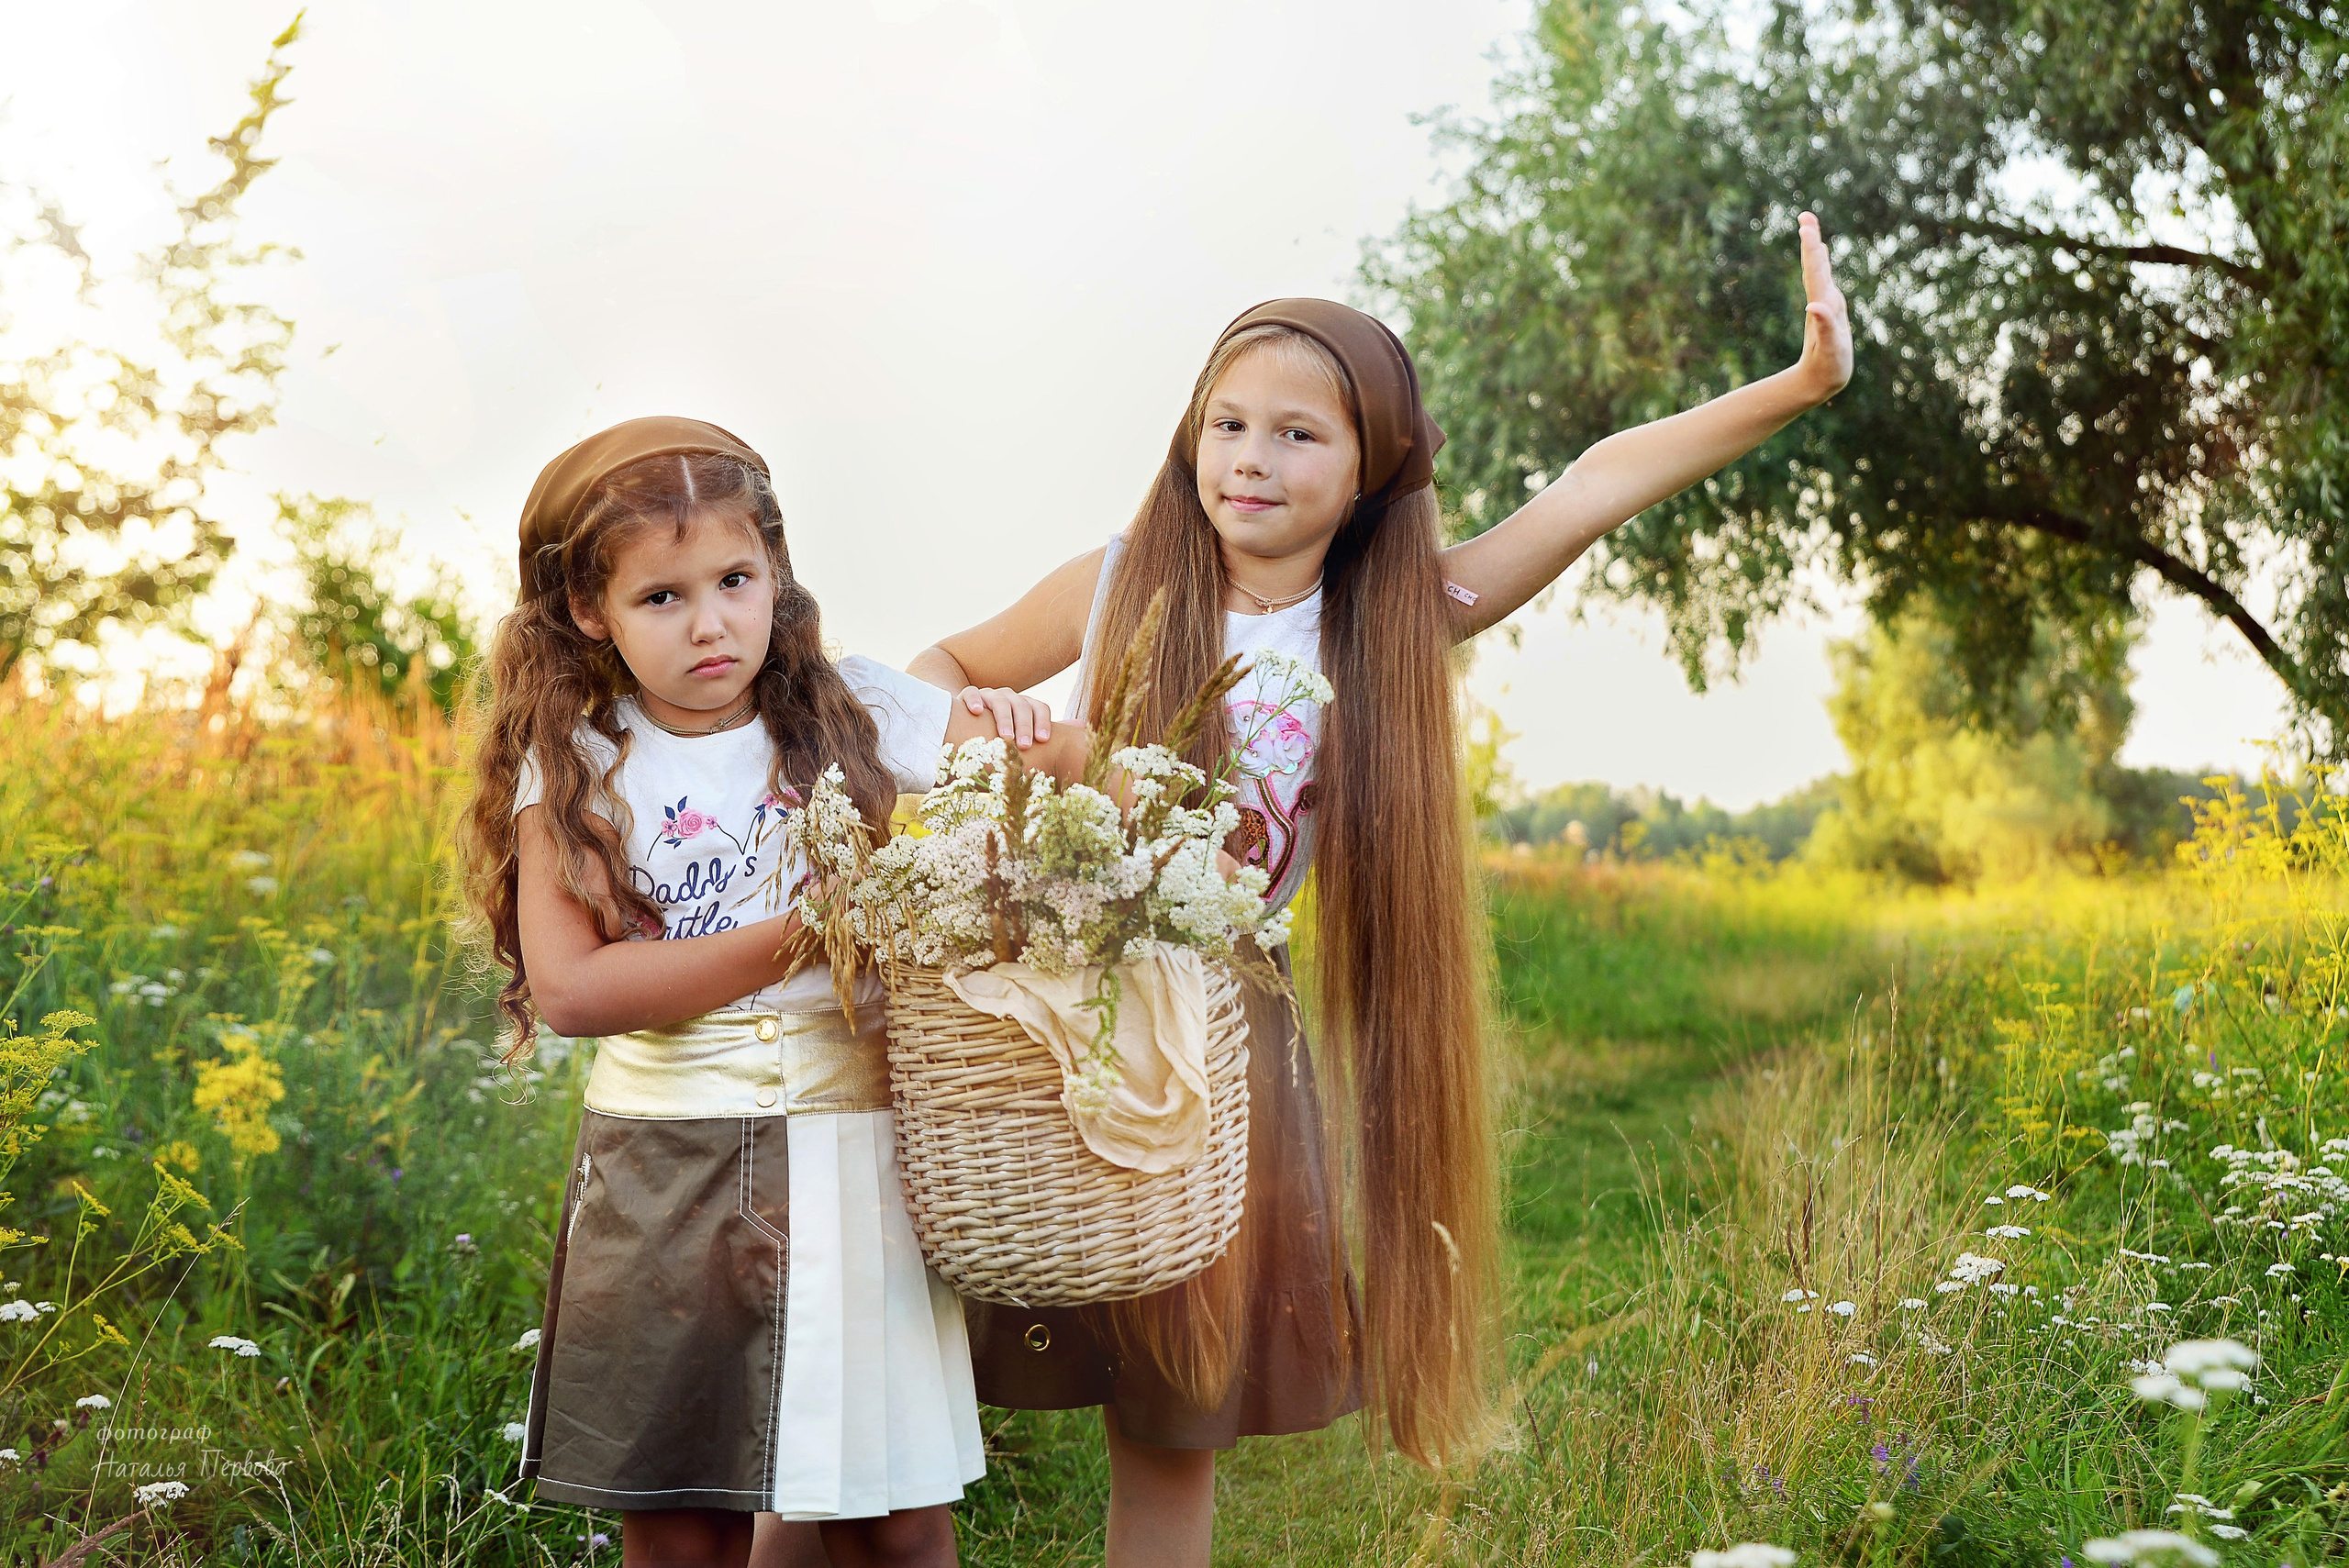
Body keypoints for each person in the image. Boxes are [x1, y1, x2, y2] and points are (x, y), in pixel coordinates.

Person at [908, 215, 1854, 1567]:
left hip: (1225, 1036)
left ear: (1372, 468)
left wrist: (1802, 383)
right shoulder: (1113, 584)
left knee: (1173, 1423)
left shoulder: (1392, 615)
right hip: (1045, 1022)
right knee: (911, 1383)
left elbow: (1593, 485)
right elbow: (938, 666)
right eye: (1229, 424)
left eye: (1299, 433)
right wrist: (986, 723)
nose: (1252, 457)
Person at [455, 417, 1088, 1568]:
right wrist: (807, 931)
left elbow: (1070, 770)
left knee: (893, 1523)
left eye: (735, 580)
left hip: (852, 1157)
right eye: (662, 596)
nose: (710, 623)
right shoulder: (579, 760)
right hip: (660, 1168)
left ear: (775, 572)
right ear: (589, 609)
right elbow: (574, 988)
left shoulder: (854, 709)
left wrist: (1028, 731)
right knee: (680, 1520)